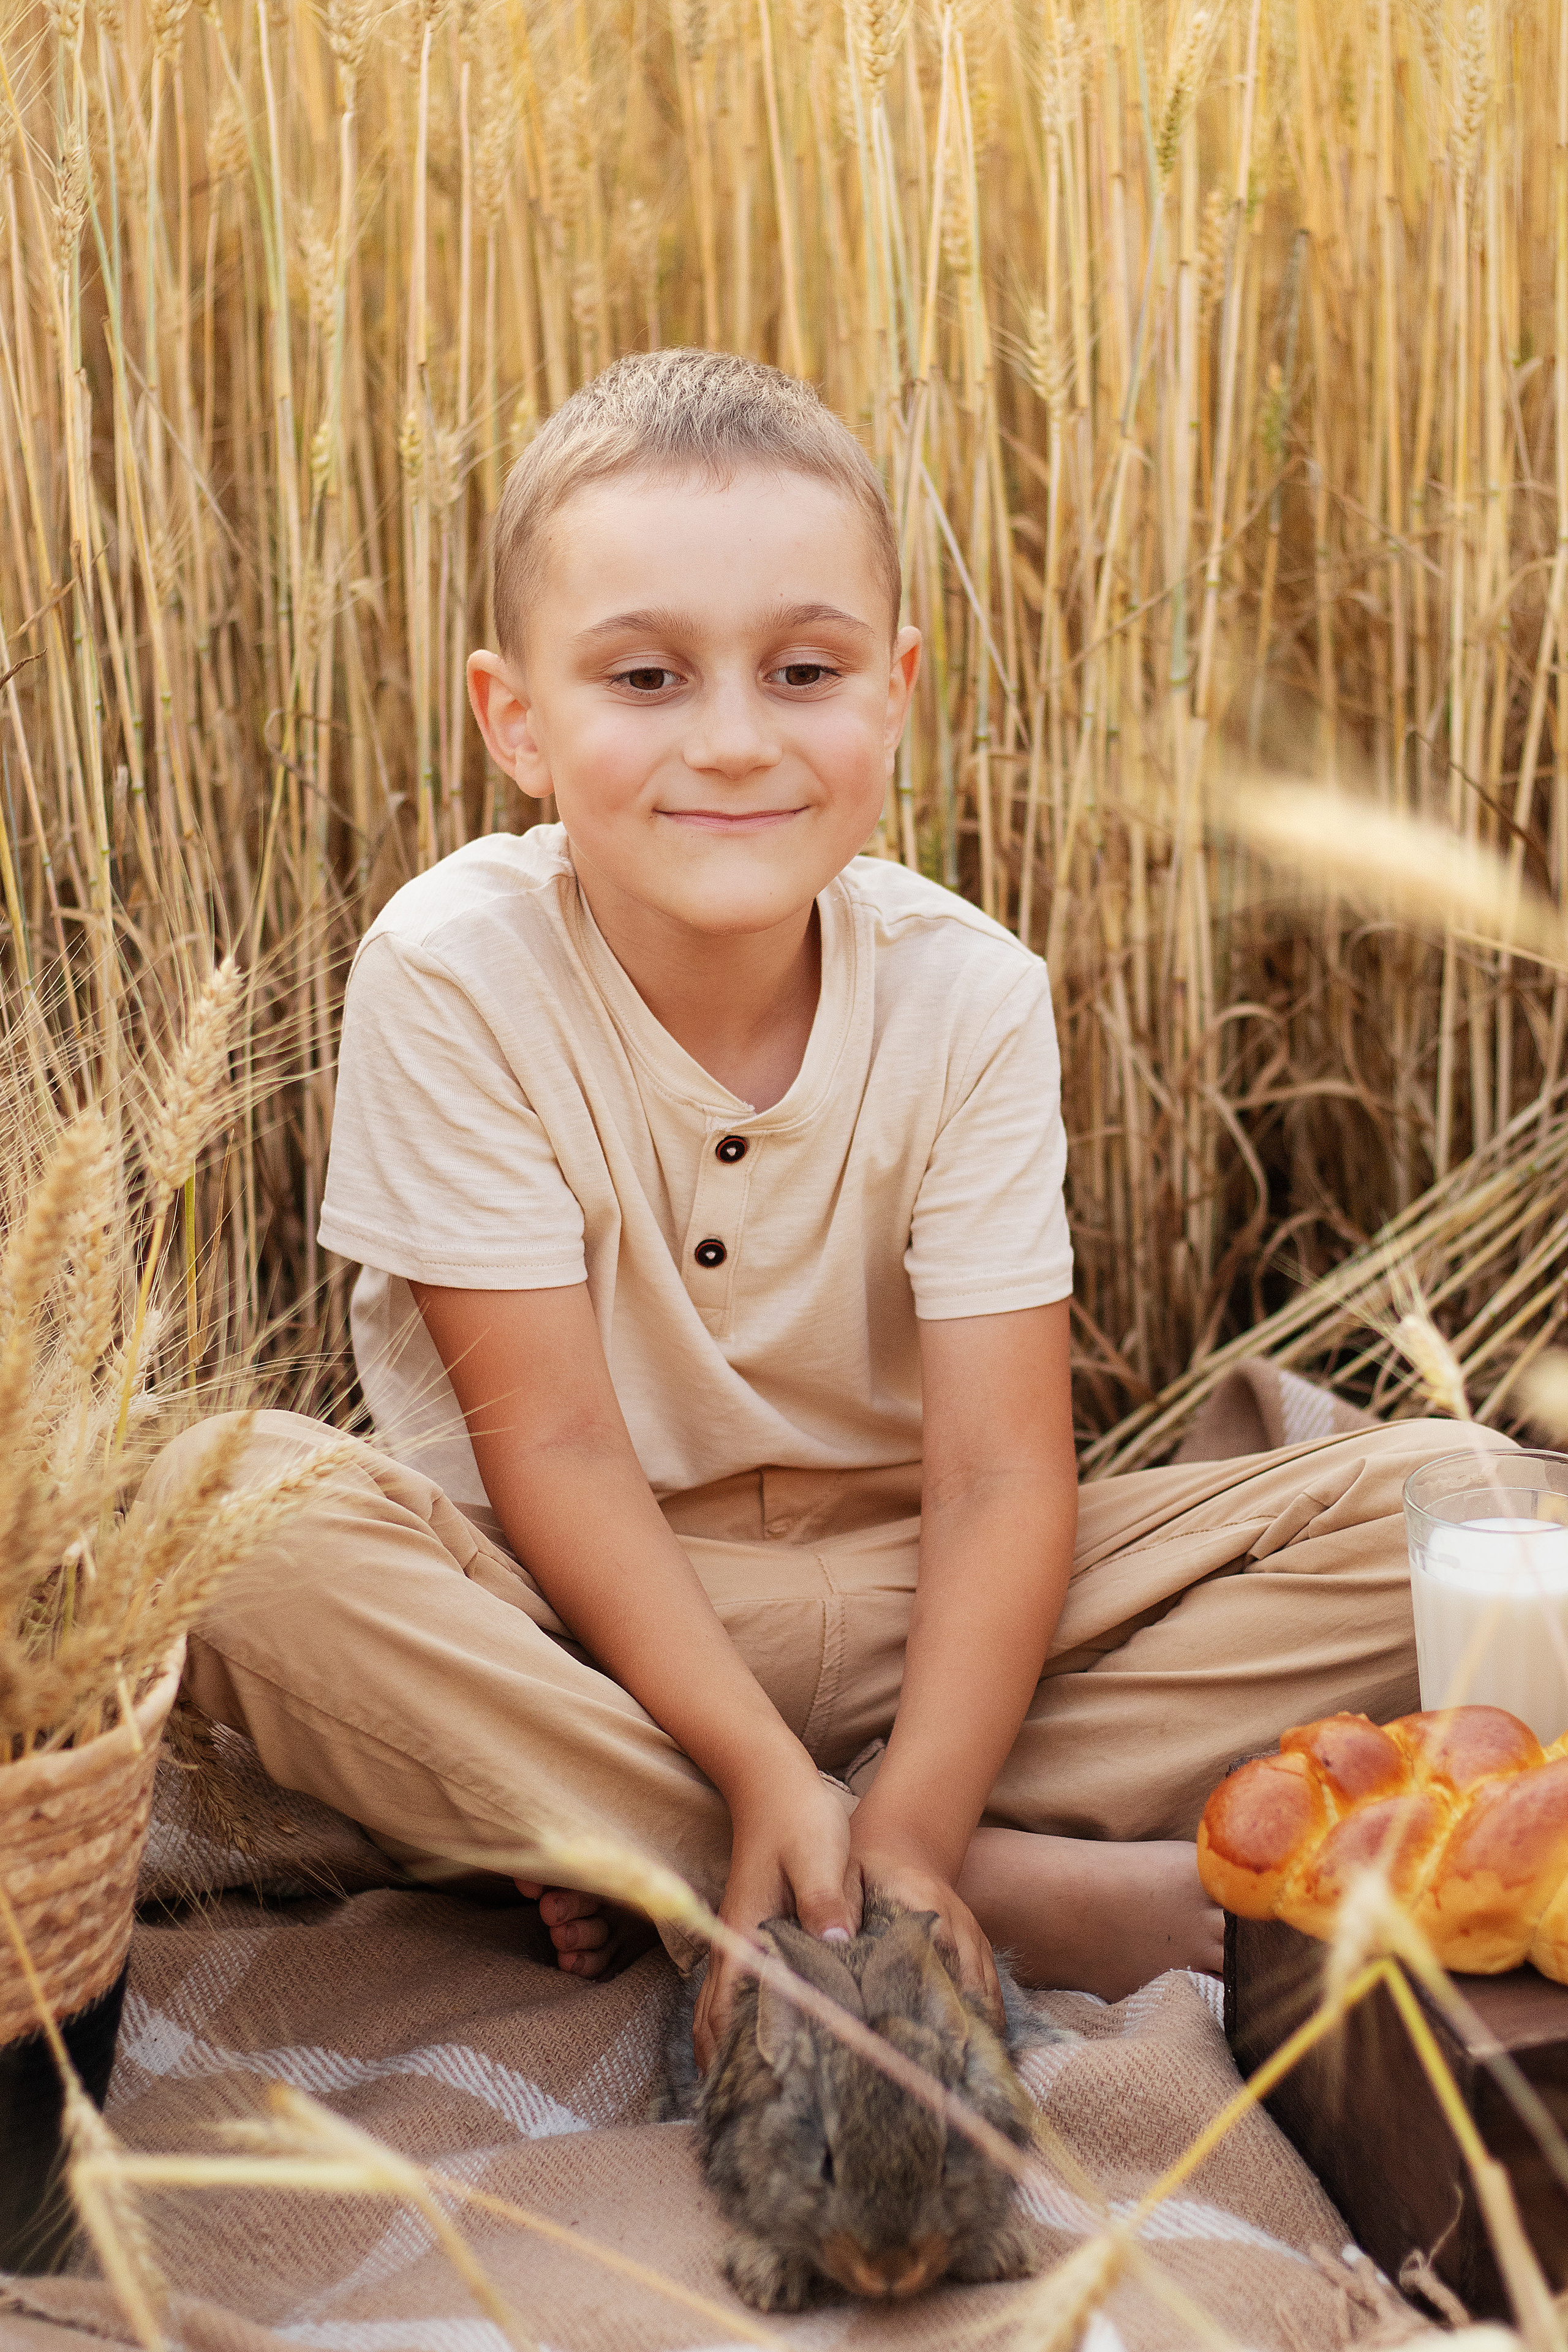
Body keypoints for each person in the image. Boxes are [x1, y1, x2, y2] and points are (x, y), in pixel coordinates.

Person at [146, 350, 1492, 2067]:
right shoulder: (453, 969)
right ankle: (801, 1855)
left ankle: (708, 1845)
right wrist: (765, 1772)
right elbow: (550, 1452)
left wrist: (915, 1806)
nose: (732, 738)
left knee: (1467, 1507)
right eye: (645, 675)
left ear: (897, 692)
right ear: (516, 719)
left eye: (804, 670)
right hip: (555, 1611)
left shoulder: (970, 992)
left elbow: (1007, 1471)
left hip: (914, 1596)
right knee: (220, 1512)